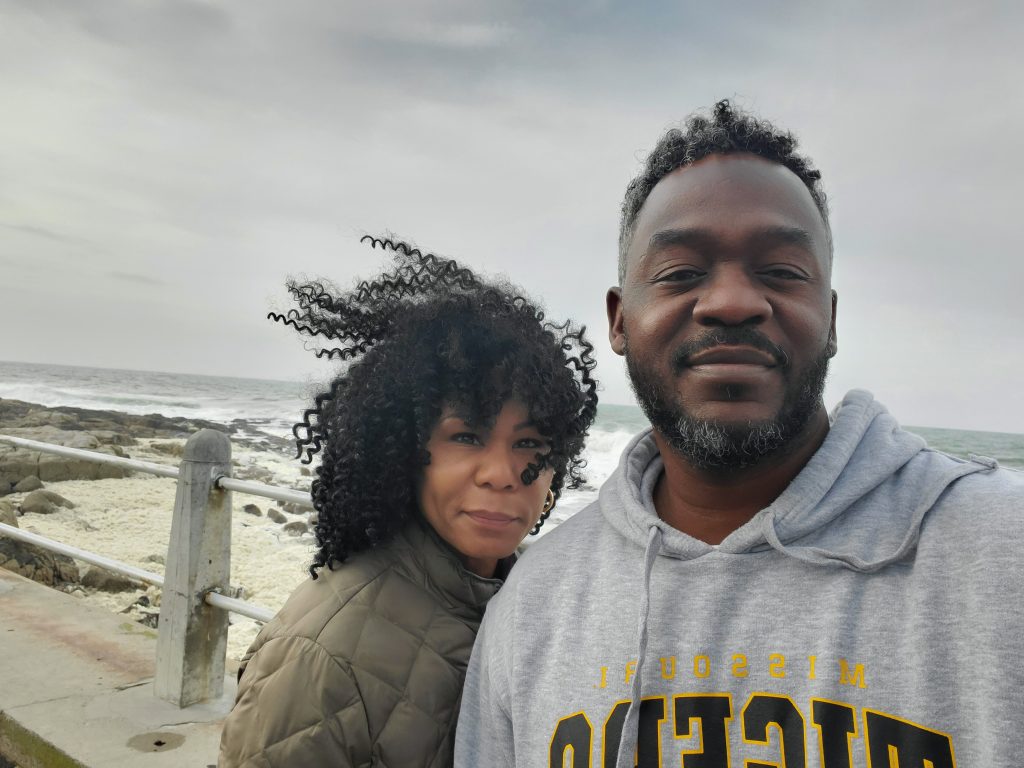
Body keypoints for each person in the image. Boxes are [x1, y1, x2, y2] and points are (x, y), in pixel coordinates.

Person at [455, 101, 1024, 767]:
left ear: (830, 318)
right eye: (681, 274)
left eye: (781, 271)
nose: (731, 303)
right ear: (619, 320)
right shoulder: (534, 606)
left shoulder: (1000, 559)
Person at [218, 236, 598, 767]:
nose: (502, 474)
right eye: (466, 437)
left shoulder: (538, 600)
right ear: (400, 449)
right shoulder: (320, 653)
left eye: (530, 444)